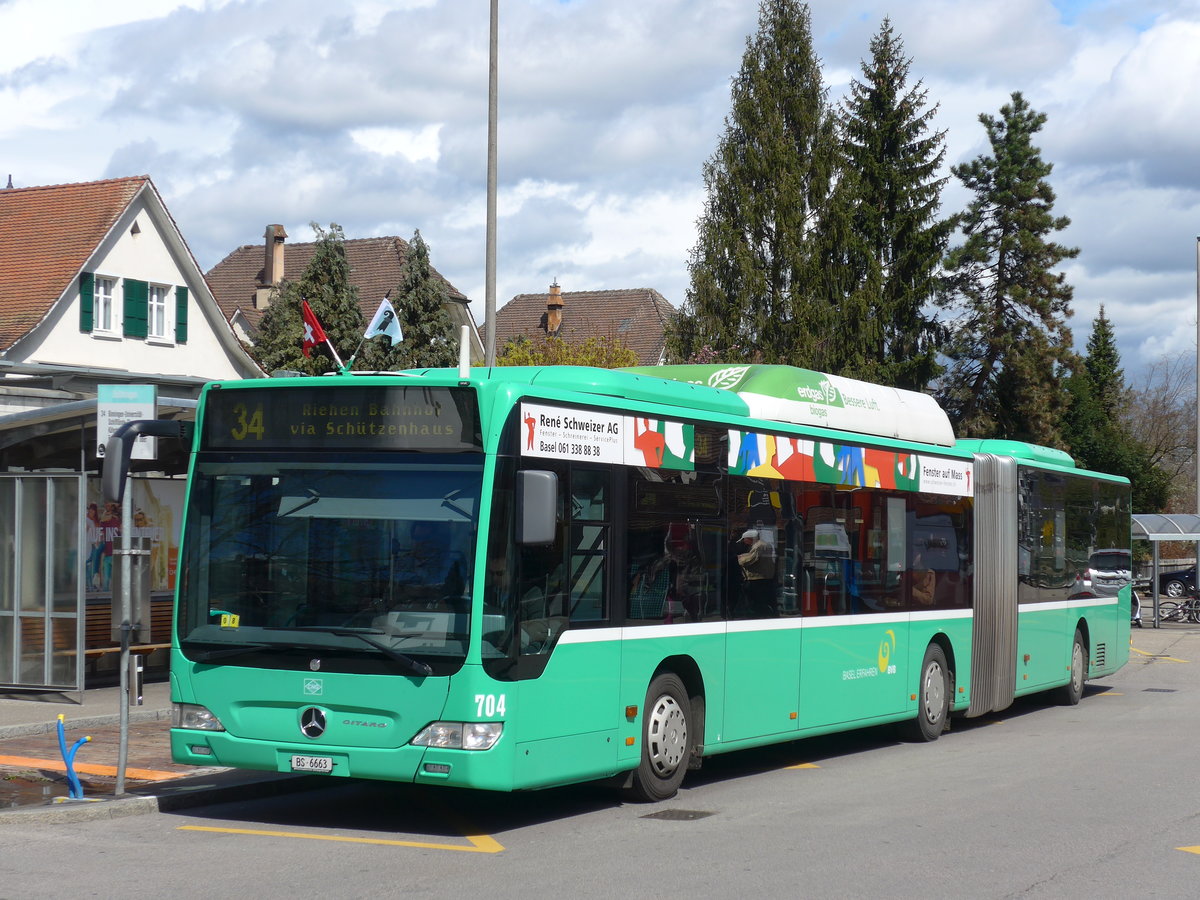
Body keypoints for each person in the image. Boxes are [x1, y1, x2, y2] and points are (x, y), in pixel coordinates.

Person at [738, 529, 777, 617]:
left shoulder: (758, 546)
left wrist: (739, 558)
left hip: (757, 579)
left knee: (757, 602)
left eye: (745, 539)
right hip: (766, 579)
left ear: (750, 538)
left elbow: (749, 560)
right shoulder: (766, 545)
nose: (744, 542)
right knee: (765, 601)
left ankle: (759, 617)